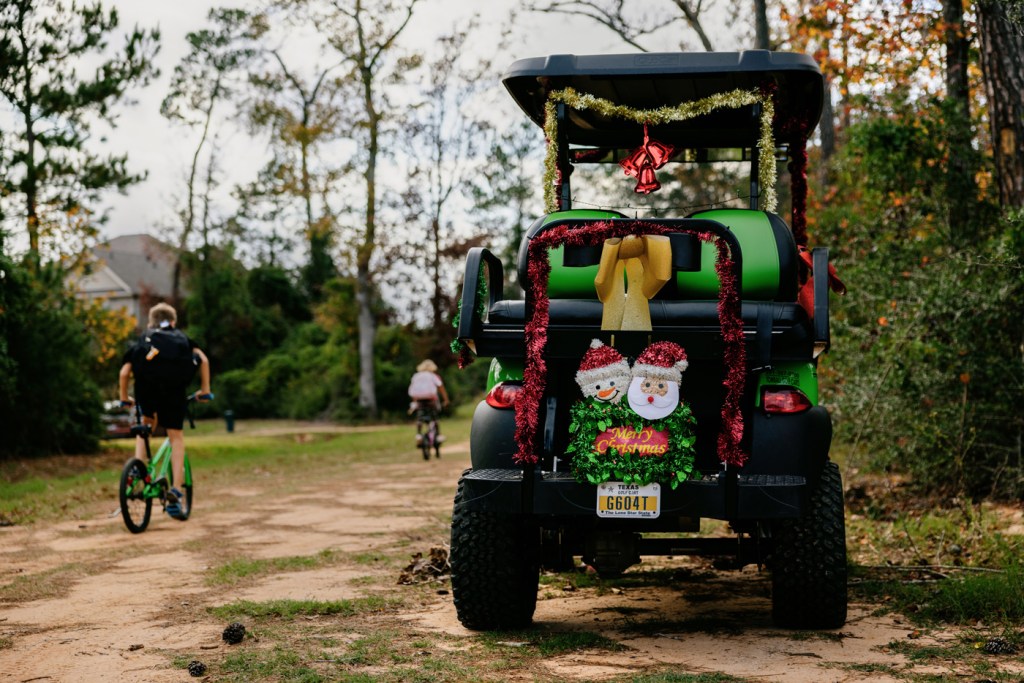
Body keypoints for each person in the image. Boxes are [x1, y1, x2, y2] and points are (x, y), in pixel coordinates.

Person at [119, 302, 211, 520]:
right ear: (173, 321)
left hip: (146, 391)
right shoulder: (182, 339)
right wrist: (205, 390)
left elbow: (124, 373)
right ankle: (176, 489)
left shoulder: (143, 340)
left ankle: (137, 470)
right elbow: (204, 360)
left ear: (151, 322)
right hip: (174, 393)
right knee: (176, 437)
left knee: (146, 426)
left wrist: (124, 398)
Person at [408, 360, 449, 443]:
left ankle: (419, 434)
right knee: (434, 417)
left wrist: (415, 402)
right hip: (431, 400)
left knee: (420, 418)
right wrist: (446, 400)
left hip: (419, 401)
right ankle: (438, 436)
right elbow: (441, 388)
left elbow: (414, 390)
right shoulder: (433, 376)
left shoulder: (416, 376)